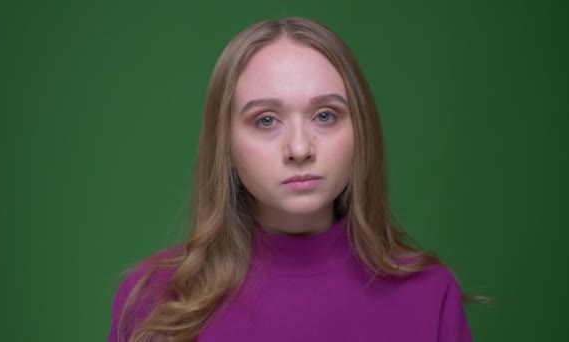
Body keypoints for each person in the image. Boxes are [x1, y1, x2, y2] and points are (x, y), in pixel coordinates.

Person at [109, 17, 477, 342]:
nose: (300, 148)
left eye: (325, 116)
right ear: (226, 146)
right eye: (266, 120)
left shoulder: (429, 294)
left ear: (361, 133)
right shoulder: (155, 298)